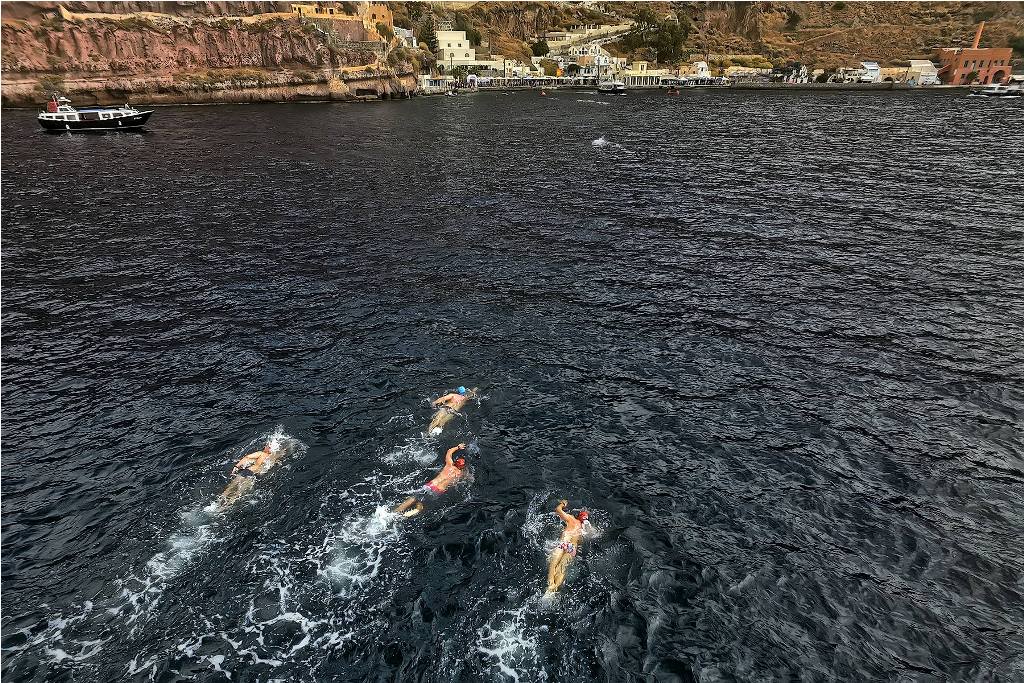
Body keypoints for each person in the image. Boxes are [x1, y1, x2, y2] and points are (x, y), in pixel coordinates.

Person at [394, 443, 468, 518]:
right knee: (422, 504)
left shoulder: (449, 465)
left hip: (430, 485)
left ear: (455, 462)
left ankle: (396, 512)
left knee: (413, 498)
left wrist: (458, 447)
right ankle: (409, 513)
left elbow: (449, 452)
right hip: (438, 491)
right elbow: (465, 479)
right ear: (462, 467)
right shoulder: (460, 474)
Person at [213, 441, 285, 510]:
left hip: (248, 472)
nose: (265, 447)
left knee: (231, 487)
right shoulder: (271, 457)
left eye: (267, 446)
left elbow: (247, 457)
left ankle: (217, 503)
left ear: (268, 448)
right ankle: (223, 508)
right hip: (252, 476)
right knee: (238, 492)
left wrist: (236, 466)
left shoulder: (262, 454)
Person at [545, 500, 590, 595]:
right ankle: (554, 588)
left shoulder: (571, 519)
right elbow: (580, 542)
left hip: (563, 543)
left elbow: (558, 510)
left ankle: (550, 586)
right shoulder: (582, 529)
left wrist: (563, 504)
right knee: (562, 568)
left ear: (577, 516)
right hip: (572, 548)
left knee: (553, 565)